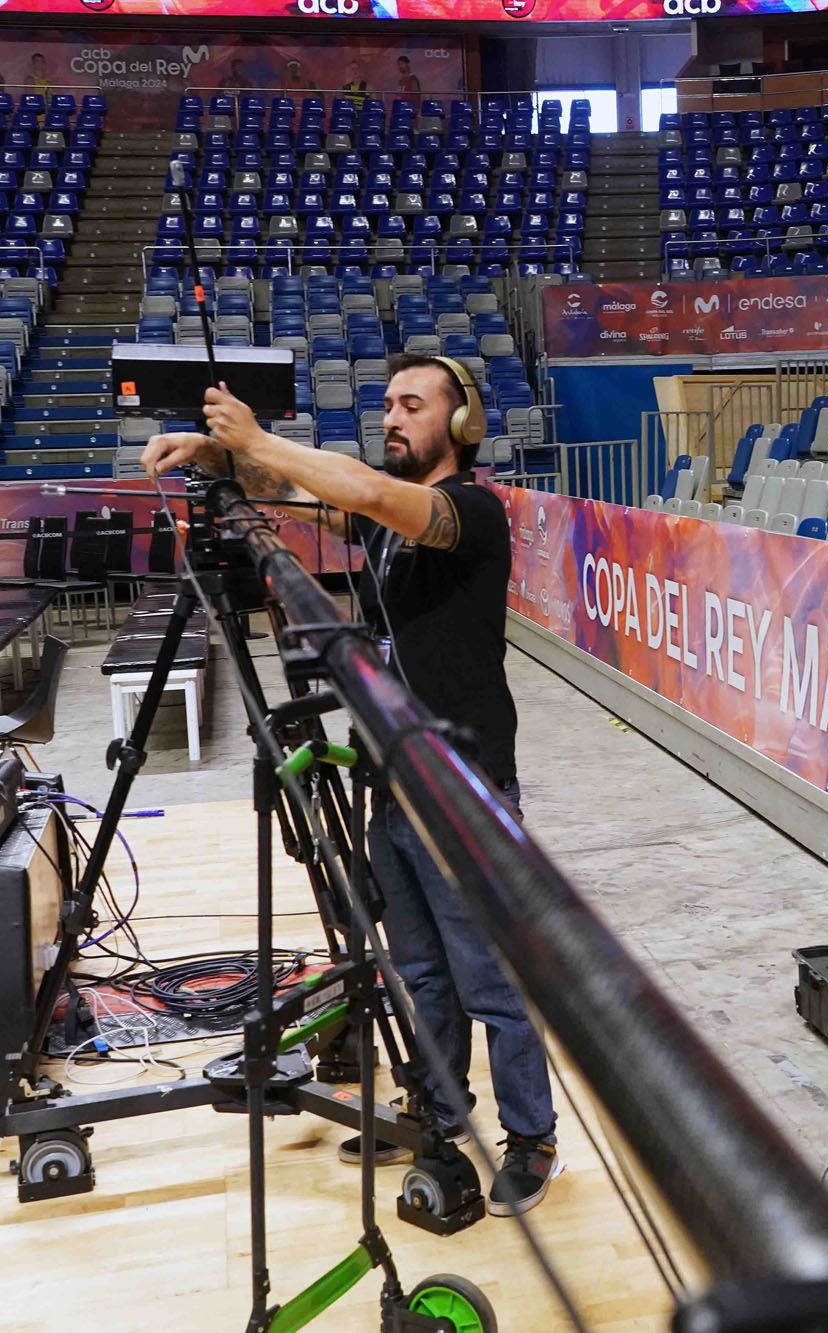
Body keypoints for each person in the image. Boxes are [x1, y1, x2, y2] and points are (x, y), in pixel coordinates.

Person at [140, 356, 562, 1219]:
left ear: (462, 423)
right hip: (391, 781)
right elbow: (295, 482)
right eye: (389, 405)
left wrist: (255, 438)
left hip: (466, 786)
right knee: (423, 977)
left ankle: (531, 1138)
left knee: (492, 984)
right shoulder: (379, 517)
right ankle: (441, 1117)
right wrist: (217, 454)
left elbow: (367, 490)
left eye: (414, 404)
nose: (395, 417)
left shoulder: (469, 513)